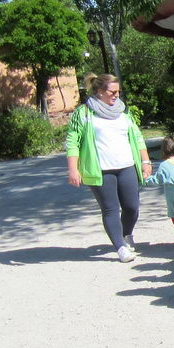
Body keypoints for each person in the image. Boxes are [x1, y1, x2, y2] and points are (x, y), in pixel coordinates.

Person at [65, 73, 153, 262]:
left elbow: (137, 137)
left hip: (127, 166)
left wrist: (145, 161)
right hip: (101, 170)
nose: (116, 95)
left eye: (118, 91)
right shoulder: (84, 113)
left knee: (132, 207)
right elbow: (73, 141)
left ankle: (126, 234)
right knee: (110, 209)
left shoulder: (123, 111)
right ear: (99, 91)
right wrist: (73, 169)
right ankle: (121, 247)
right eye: (112, 92)